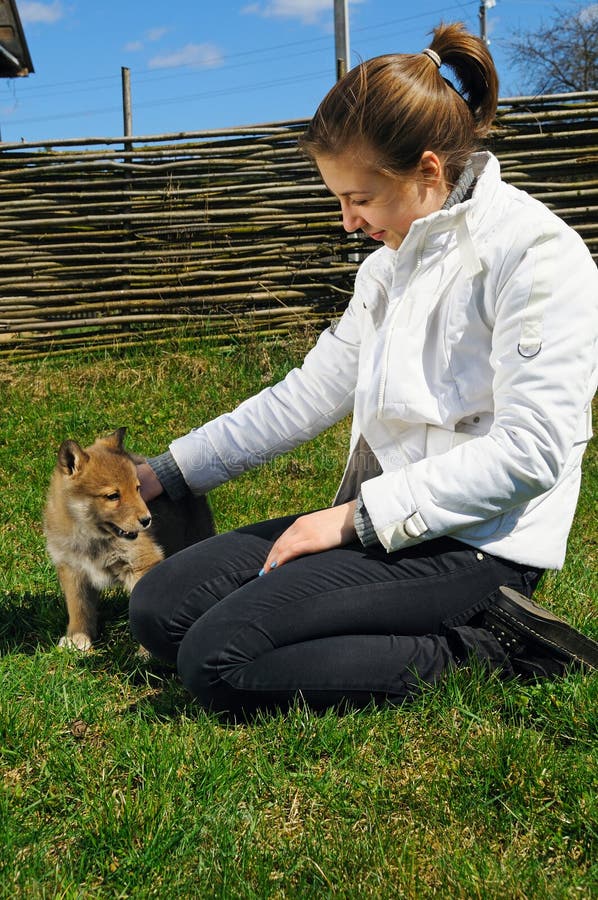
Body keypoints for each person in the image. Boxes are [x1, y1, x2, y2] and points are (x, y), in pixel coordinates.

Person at [131, 22, 598, 720]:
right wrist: (167, 473)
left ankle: (494, 649)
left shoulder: (536, 256)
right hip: (381, 527)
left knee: (217, 662)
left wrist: (352, 520)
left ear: (429, 171)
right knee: (160, 607)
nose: (348, 221)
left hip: (475, 543)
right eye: (340, 199)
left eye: (359, 199)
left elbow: (533, 452)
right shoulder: (389, 267)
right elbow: (308, 394)